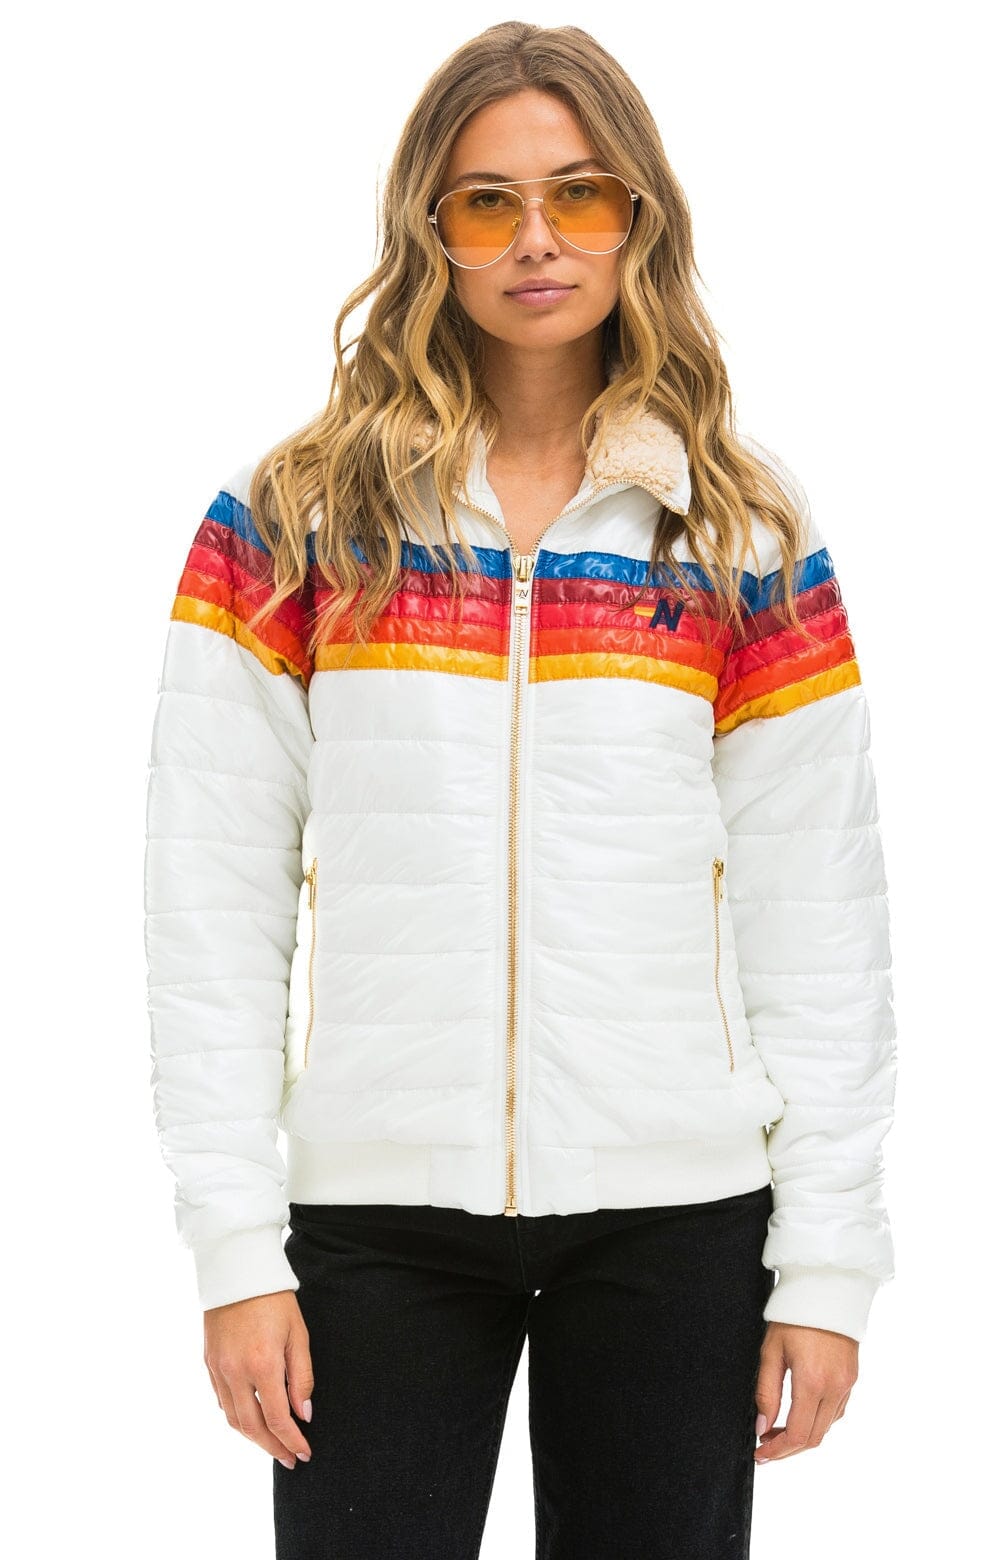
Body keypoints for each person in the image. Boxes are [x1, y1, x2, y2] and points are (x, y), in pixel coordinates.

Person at [143, 20, 897, 1559]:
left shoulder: (737, 529)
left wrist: (828, 1259)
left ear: (640, 217)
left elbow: (819, 910)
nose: (536, 240)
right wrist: (234, 1244)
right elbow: (208, 893)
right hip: (374, 1221)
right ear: (429, 230)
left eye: (580, 195)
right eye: (487, 202)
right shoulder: (294, 517)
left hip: (679, 1220)